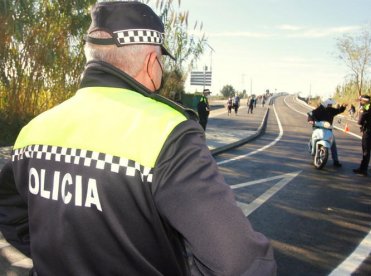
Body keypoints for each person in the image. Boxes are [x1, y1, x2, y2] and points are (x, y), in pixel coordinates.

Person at [0, 2, 276, 275]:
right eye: (161, 62)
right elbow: (241, 263)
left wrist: (53, 259)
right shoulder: (170, 132)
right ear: (151, 61)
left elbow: (8, 208)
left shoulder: (33, 130)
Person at [307, 98, 348, 167]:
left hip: (328, 130)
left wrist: (343, 106)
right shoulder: (318, 110)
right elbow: (310, 114)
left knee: (333, 144)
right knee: (312, 140)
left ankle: (336, 161)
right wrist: (311, 120)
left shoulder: (331, 110)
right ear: (325, 104)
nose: (330, 105)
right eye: (329, 104)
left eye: (331, 104)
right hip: (318, 129)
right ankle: (313, 155)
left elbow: (339, 110)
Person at [353, 95, 371, 176]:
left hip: (369, 131)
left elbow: (359, 121)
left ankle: (363, 169)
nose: (360, 103)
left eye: (361, 101)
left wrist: (360, 112)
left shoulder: (365, 108)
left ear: (364, 101)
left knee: (366, 150)